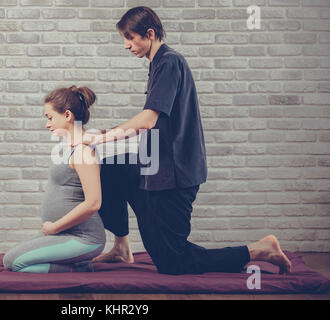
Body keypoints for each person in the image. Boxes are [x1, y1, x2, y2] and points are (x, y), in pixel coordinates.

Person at [85, 6, 292, 275]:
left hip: (174, 174)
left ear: (149, 34)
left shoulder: (169, 62)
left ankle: (259, 250)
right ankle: (122, 248)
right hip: (153, 165)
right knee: (107, 171)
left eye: (130, 38)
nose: (126, 45)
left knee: (173, 261)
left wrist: (97, 138)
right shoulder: (158, 64)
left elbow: (148, 120)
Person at [3, 86, 105, 273]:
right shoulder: (71, 148)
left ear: (67, 115)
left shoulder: (83, 151)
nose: (47, 124)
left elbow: (93, 203)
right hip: (65, 234)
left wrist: (54, 227)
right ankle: (78, 264)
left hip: (84, 238)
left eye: (50, 118)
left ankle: (77, 269)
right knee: (11, 257)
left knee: (14, 262)